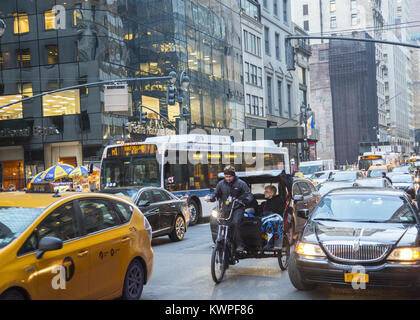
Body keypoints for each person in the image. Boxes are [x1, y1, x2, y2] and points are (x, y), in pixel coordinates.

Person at [206, 165, 253, 251]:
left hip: (237, 208)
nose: (228, 178)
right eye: (226, 176)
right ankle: (219, 241)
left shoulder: (241, 183)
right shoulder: (220, 184)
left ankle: (239, 244)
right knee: (220, 223)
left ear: (234, 175)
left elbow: (249, 195)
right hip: (225, 209)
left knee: (235, 223)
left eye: (230, 176)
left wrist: (243, 201)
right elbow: (215, 194)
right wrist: (211, 198)